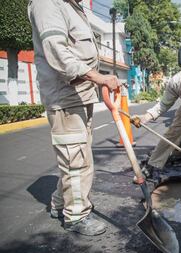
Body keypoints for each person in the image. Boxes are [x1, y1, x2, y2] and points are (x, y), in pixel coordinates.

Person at [28, 0, 121, 235]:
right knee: (76, 161)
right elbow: (57, 52)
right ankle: (76, 217)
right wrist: (99, 78)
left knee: (77, 160)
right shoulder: (47, 3)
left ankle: (60, 204)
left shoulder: (72, 7)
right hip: (65, 98)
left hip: (81, 97)